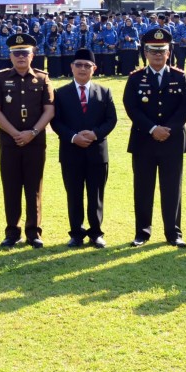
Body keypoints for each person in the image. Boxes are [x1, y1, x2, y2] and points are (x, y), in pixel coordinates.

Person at [123, 27, 186, 248]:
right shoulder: (136, 78)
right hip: (144, 140)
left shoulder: (179, 77)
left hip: (172, 141)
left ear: (168, 52)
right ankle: (142, 232)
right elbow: (131, 107)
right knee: (143, 188)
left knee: (172, 188)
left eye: (161, 51)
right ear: (145, 53)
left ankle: (174, 233)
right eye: (153, 51)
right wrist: (153, 128)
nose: (157, 55)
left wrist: (167, 129)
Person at [0, 33, 55, 248]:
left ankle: (33, 232)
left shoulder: (43, 78)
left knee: (34, 188)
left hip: (35, 142)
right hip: (10, 142)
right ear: (10, 56)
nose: (20, 57)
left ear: (32, 55)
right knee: (11, 187)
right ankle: (12, 232)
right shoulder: (1, 78)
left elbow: (49, 110)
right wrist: (15, 133)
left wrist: (32, 132)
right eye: (16, 53)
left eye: (25, 53)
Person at [50, 48, 117, 248]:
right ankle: (76, 234)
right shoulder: (60, 93)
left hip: (97, 152)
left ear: (94, 68)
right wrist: (73, 137)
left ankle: (96, 233)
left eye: (87, 66)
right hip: (71, 152)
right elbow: (56, 122)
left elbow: (111, 120)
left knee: (96, 195)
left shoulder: (104, 92)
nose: (82, 69)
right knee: (74, 194)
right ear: (72, 67)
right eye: (78, 65)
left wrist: (95, 134)